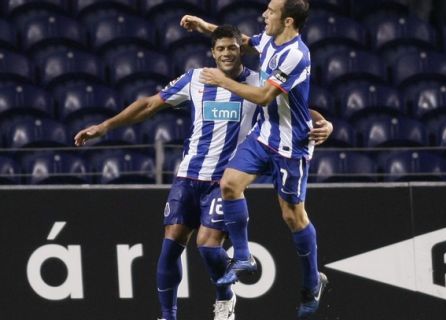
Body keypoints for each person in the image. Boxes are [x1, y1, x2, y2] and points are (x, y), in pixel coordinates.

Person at [74, 24, 330, 320]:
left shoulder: (257, 84)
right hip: (188, 176)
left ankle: (225, 299)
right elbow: (148, 105)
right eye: (220, 49)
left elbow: (294, 109)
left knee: (207, 247)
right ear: (212, 52)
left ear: (241, 49)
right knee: (170, 246)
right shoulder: (196, 79)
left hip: (222, 182)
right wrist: (104, 127)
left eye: (232, 48)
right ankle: (168, 316)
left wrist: (326, 123)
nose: (226, 54)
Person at [180, 0, 332, 318]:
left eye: (271, 11)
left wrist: (223, 81)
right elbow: (247, 42)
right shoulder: (271, 41)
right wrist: (204, 26)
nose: (265, 14)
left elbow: (264, 96)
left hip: (292, 147)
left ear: (288, 21)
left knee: (293, 216)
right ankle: (245, 255)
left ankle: (311, 280)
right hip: (264, 137)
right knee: (230, 183)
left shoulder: (295, 54)